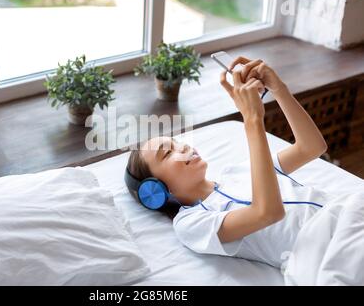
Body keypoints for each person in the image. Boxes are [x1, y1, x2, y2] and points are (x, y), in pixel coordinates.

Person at [125, 57, 328, 267]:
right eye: (167, 153)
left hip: (348, 214)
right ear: (155, 191)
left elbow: (311, 147)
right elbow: (268, 213)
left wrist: (279, 89)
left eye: (177, 142)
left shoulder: (239, 171)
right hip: (328, 254)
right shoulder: (190, 223)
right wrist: (251, 119)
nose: (184, 147)